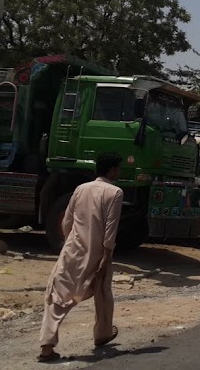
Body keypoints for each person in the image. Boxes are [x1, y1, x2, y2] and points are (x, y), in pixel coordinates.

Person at [39, 152, 125, 362]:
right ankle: (102, 333)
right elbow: (110, 228)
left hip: (73, 250)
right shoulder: (115, 193)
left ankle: (46, 345)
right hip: (97, 252)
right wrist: (106, 255)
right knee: (102, 291)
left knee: (57, 294)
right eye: (118, 168)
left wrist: (71, 243)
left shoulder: (80, 189)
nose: (119, 172)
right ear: (112, 170)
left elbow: (67, 221)